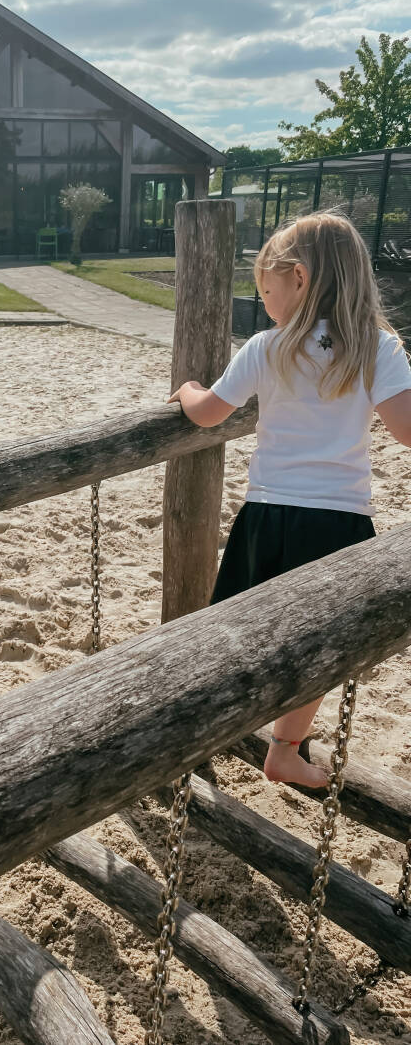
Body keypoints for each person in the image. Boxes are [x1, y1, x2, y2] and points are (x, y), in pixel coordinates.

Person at [167, 211, 411, 787]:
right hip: (340, 524)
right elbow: (407, 430)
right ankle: (285, 747)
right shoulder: (376, 348)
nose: (265, 302)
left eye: (267, 290)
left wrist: (187, 387)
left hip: (268, 515)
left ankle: (212, 731)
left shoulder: (266, 347)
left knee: (241, 633)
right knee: (324, 650)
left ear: (299, 279)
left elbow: (207, 415)